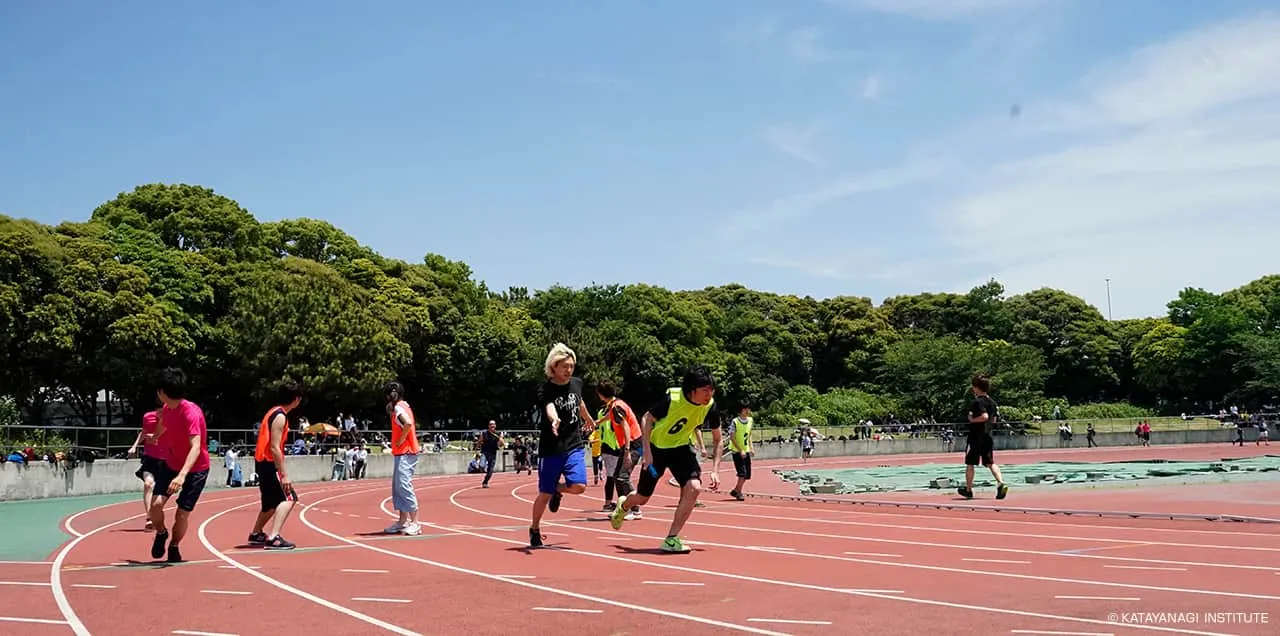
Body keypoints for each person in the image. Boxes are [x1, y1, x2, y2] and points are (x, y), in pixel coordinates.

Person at [610, 366, 722, 553]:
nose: (708, 395)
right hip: (657, 449)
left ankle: (671, 538)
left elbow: (718, 440)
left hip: (681, 449)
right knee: (642, 498)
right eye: (704, 390)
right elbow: (646, 419)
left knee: (694, 488)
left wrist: (716, 470)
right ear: (692, 390)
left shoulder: (710, 406)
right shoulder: (672, 400)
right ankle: (624, 504)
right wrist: (647, 453)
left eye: (711, 390)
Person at [529, 343, 596, 548]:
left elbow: (579, 402)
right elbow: (549, 405)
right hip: (551, 447)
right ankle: (535, 528)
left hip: (573, 443)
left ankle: (558, 490)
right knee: (544, 493)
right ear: (554, 367)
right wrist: (554, 419)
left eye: (571, 366)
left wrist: (588, 419)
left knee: (579, 486)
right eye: (565, 366)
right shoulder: (545, 388)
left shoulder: (576, 383)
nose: (569, 370)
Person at [147, 367, 211, 563]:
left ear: (162, 392)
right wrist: (156, 436)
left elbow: (196, 447)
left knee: (182, 513)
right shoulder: (167, 409)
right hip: (171, 464)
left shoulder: (191, 413)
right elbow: (163, 424)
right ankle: (161, 533)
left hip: (195, 469)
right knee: (155, 506)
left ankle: (174, 546)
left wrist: (182, 475)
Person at [246, 380, 303, 550]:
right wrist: (284, 474)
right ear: (296, 399)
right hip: (270, 463)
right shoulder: (280, 416)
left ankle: (256, 533)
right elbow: (275, 447)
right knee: (290, 498)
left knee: (270, 503)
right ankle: (273, 537)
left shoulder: (273, 412)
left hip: (262, 462)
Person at [595, 379, 642, 519]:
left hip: (633, 444)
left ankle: (635, 509)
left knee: (623, 477)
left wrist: (627, 451)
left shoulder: (616, 407)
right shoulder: (615, 405)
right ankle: (624, 508)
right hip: (629, 444)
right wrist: (598, 422)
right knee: (617, 477)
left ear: (600, 395)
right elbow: (610, 415)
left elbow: (626, 427)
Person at [958, 373, 1008, 500]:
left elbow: (984, 417)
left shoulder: (977, 402)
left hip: (976, 436)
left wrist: (972, 419)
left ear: (977, 387)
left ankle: (968, 490)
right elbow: (994, 419)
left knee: (970, 463)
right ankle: (1000, 482)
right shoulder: (992, 402)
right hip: (988, 436)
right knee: (990, 462)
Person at [384, 381, 422, 536]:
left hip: (405, 452)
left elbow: (407, 423)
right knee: (398, 486)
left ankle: (415, 522)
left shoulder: (399, 408)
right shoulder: (404, 405)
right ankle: (402, 521)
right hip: (402, 452)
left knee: (404, 486)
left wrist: (400, 441)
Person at [127, 405, 165, 531]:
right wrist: (134, 446)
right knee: (148, 484)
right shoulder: (148, 416)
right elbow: (143, 432)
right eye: (160, 411)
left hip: (166, 459)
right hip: (150, 457)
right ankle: (149, 517)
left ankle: (155, 515)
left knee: (160, 493)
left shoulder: (172, 417)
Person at [726, 403, 754, 501]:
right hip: (737, 451)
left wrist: (751, 447)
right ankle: (739, 492)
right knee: (742, 473)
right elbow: (732, 437)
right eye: (746, 409)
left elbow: (749, 434)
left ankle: (736, 490)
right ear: (742, 410)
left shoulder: (750, 420)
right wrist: (740, 450)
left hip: (745, 450)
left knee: (747, 475)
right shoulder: (735, 421)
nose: (748, 411)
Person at [479, 420, 503, 488]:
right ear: (488, 426)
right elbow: (480, 441)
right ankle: (482, 467)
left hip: (493, 454)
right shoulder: (484, 433)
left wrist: (501, 442)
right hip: (485, 453)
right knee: (481, 465)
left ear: (495, 426)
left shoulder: (498, 434)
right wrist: (477, 448)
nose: (492, 425)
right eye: (491, 424)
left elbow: (500, 444)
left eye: (493, 424)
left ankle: (485, 482)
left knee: (490, 471)